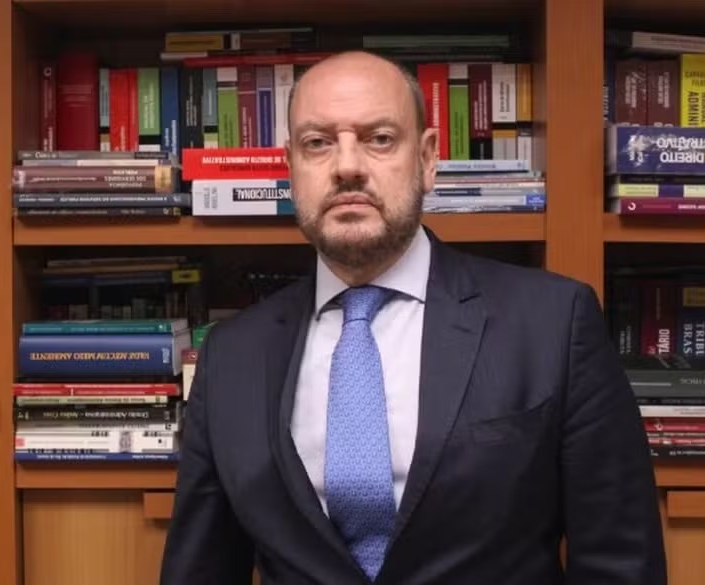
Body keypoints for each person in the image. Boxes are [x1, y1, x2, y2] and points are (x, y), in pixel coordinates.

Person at [159, 50, 667, 584]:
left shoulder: (554, 323)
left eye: (379, 138)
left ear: (427, 159)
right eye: (318, 143)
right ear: (291, 168)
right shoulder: (231, 356)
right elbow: (200, 570)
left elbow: (620, 562)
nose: (347, 166)